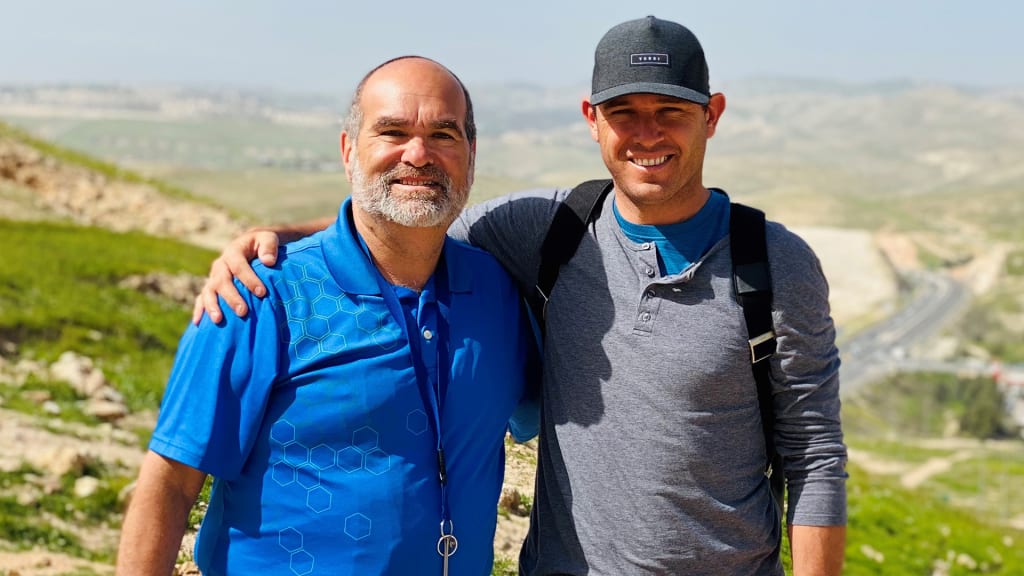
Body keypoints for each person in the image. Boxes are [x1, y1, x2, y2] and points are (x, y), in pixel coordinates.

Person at [195, 16, 848, 575]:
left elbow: (814, 460)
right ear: (592, 119)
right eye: (624, 113)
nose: (647, 134)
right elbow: (406, 217)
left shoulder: (775, 264)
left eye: (670, 112)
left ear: (712, 115)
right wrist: (274, 240)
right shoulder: (546, 230)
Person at [116, 56, 539, 576]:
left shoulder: (498, 292)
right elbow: (171, 480)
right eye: (392, 131)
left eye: (443, 134)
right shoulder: (259, 294)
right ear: (348, 151)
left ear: (471, 154)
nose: (419, 153)